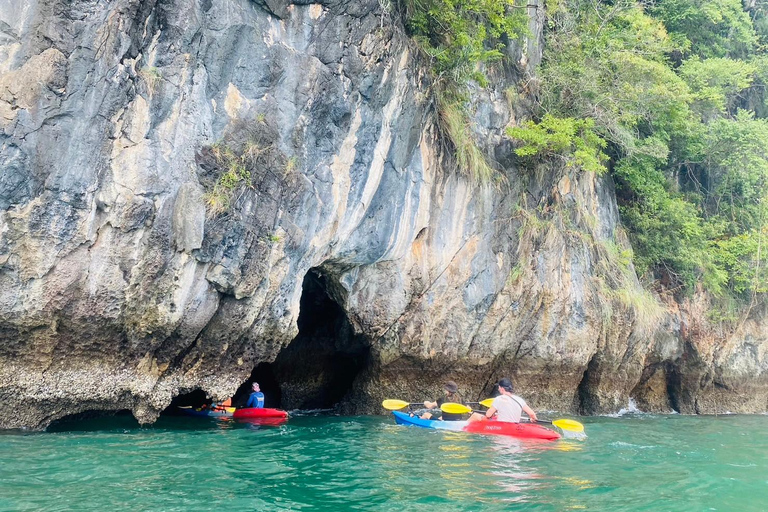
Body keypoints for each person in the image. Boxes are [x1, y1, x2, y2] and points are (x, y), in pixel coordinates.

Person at [467, 378, 537, 423]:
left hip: (502, 426)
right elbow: (532, 414)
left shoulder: (498, 399)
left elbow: (488, 415)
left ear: (502, 388)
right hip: (514, 425)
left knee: (475, 415)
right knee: (496, 416)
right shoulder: (520, 399)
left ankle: (462, 429)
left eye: (499, 387)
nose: (498, 389)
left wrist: (492, 414)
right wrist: (532, 418)